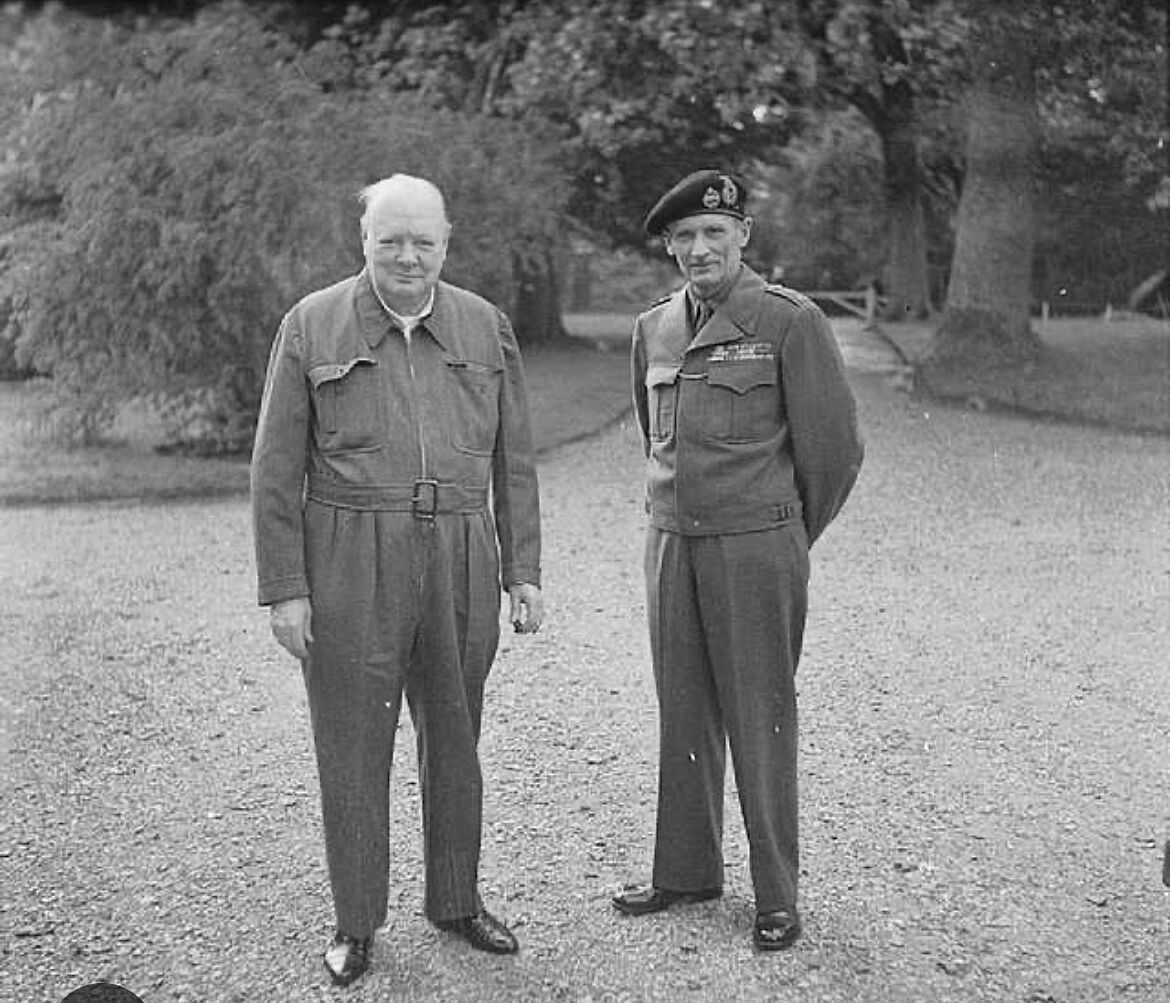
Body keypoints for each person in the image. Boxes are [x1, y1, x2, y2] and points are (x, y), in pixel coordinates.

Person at [250, 173, 543, 987]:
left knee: (456, 734)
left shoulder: (484, 326)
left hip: (460, 547)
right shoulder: (312, 324)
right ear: (365, 242)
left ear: (446, 242)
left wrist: (523, 569)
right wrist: (285, 587)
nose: (407, 257)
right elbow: (275, 467)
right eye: (391, 241)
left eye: (423, 241)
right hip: (349, 551)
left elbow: (515, 459)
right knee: (351, 744)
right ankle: (356, 920)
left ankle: (456, 898)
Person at [614, 169, 863, 951]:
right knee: (683, 711)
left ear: (743, 235)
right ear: (669, 246)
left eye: (714, 233)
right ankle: (687, 871)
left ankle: (777, 895)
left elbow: (834, 451)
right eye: (684, 236)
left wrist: (782, 534)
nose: (699, 249)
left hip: (755, 547)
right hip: (671, 542)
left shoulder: (789, 321)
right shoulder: (654, 327)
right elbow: (654, 434)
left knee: (761, 718)